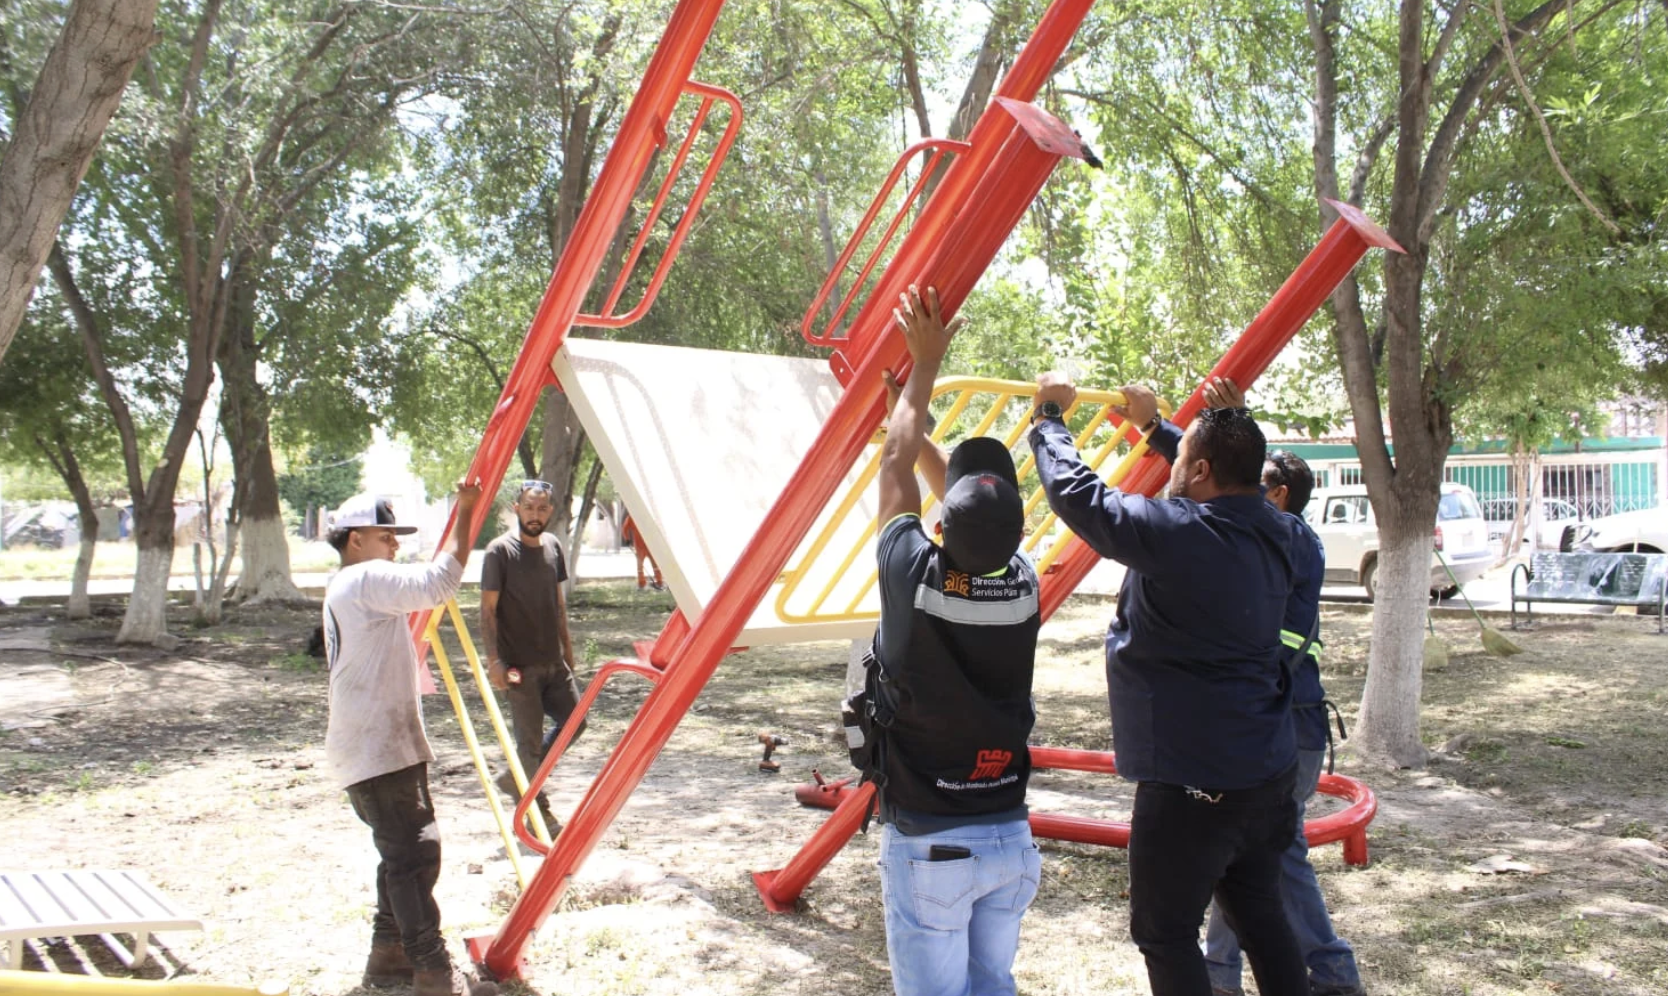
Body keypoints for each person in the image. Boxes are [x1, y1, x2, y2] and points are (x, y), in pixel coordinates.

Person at [1029, 373, 1307, 996]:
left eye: (1180, 459)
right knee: (1262, 916)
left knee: (1164, 932)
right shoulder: (1281, 530)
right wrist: (1157, 430)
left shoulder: (1182, 532)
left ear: (1201, 468)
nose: (1173, 467)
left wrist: (1049, 418)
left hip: (1194, 784)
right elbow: (1222, 475)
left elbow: (1080, 496)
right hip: (1265, 773)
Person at [868, 285, 1043, 996]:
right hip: (1009, 837)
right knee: (991, 984)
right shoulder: (1025, 584)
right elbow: (913, 479)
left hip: (932, 840)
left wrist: (923, 367)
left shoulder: (914, 575)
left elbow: (892, 468)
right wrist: (910, 417)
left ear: (943, 527)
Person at [1194, 387, 1364, 996]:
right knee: (1243, 857)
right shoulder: (1272, 536)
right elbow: (1209, 475)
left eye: (1257, 480)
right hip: (1283, 726)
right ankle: (1219, 973)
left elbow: (1278, 646)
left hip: (1286, 728)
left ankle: (1333, 971)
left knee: (1275, 856)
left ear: (1280, 494)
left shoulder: (1288, 538)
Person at [322, 485, 497, 996]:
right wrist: (466, 515)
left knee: (401, 854)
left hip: (375, 743)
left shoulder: (350, 583)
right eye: (386, 536)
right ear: (356, 540)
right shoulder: (364, 578)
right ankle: (433, 975)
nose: (394, 545)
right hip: (376, 745)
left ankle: (389, 956)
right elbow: (439, 581)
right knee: (415, 853)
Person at [481, 481, 585, 839]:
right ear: (517, 507)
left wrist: (568, 653)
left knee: (576, 721)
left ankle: (517, 777)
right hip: (517, 667)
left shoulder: (554, 547)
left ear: (551, 511)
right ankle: (536, 814)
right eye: (529, 507)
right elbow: (488, 610)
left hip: (553, 662)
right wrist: (493, 660)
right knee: (528, 741)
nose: (535, 515)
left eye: (542, 509)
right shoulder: (499, 552)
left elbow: (558, 604)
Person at [620, 513, 664, 591]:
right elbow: (624, 528)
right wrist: (627, 539)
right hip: (640, 546)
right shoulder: (632, 517)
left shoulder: (649, 514)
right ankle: (642, 583)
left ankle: (659, 582)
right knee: (640, 567)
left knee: (655, 565)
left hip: (651, 546)